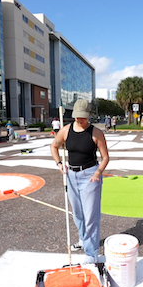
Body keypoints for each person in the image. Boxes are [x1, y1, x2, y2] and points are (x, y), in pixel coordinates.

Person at [50, 99, 110, 264]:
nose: (80, 120)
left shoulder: (96, 133)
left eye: (83, 117)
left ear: (89, 115)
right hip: (71, 175)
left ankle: (91, 253)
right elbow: (54, 147)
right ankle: (83, 239)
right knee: (77, 214)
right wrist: (59, 164)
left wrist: (98, 173)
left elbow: (105, 158)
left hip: (91, 175)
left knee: (91, 216)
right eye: (77, 116)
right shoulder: (65, 131)